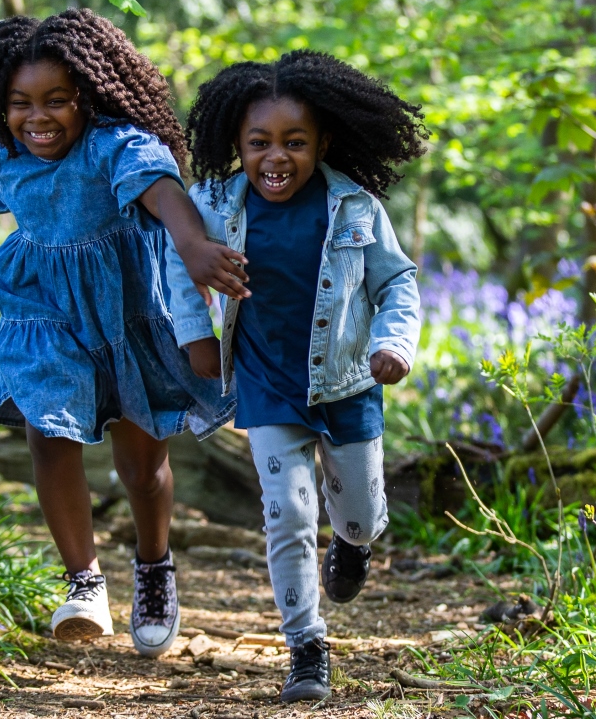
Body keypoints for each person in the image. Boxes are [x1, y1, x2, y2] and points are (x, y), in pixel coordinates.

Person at [0, 9, 245, 658]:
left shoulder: (114, 145)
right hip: (44, 310)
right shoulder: (9, 156)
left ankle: (154, 565)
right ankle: (84, 582)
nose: (38, 117)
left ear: (88, 96)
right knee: (45, 427)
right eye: (19, 103)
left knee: (142, 468)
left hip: (129, 314)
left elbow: (163, 189)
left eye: (56, 100)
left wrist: (192, 243)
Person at [166, 51, 426, 701]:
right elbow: (177, 260)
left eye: (294, 142)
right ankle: (306, 648)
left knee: (359, 517)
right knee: (288, 514)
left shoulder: (355, 205)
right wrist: (195, 333)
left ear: (322, 143)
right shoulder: (213, 203)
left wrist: (394, 344)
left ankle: (355, 543)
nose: (275, 157)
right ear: (237, 143)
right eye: (259, 142)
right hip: (265, 384)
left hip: (348, 382)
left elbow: (397, 281)